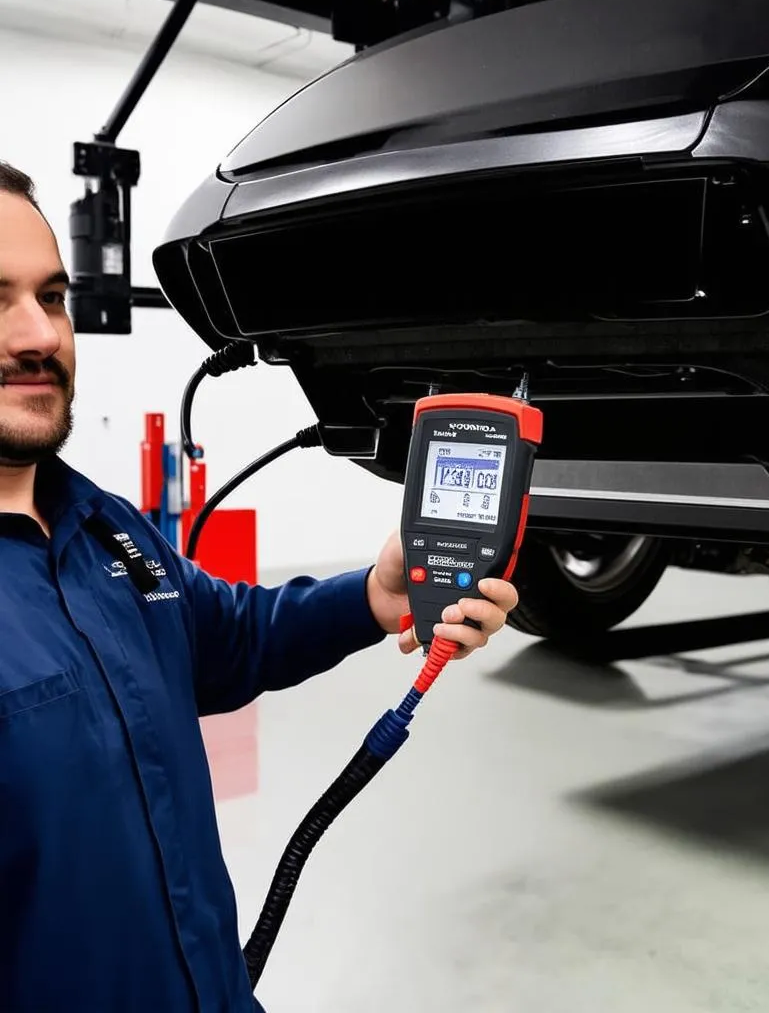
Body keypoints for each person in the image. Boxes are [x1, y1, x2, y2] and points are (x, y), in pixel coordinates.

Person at [0, 160, 519, 1012]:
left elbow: (224, 635)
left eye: (51, 297)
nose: (39, 336)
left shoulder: (105, 527)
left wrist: (374, 595)